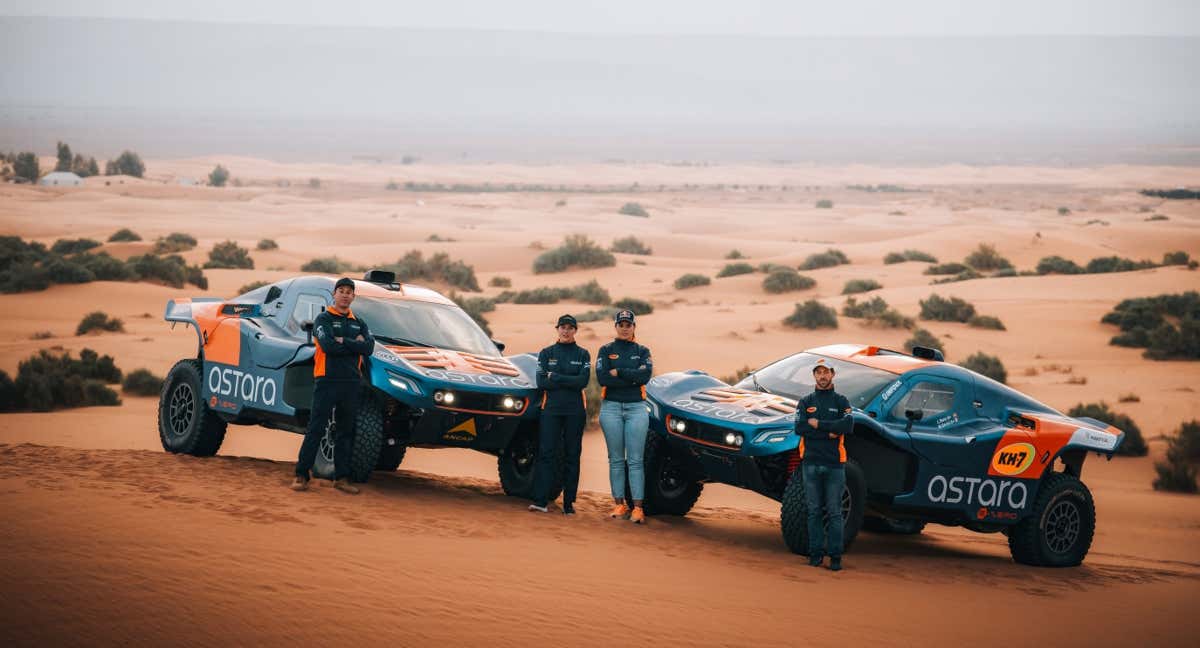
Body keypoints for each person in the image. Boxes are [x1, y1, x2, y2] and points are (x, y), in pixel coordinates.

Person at [292, 277, 375, 494]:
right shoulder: (323, 319)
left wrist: (344, 341)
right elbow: (328, 346)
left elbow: (369, 348)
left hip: (351, 382)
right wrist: (354, 344)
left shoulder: (360, 322)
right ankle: (301, 475)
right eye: (342, 291)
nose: (345, 295)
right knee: (316, 428)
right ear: (334, 294)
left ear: (353, 296)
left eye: (349, 292)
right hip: (326, 380)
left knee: (346, 431)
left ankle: (342, 478)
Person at [529, 314, 591, 515]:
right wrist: (567, 380)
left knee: (573, 456)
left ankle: (568, 504)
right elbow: (541, 382)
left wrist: (555, 376)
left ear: (575, 330)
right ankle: (540, 501)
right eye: (562, 327)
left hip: (575, 411)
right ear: (557, 329)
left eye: (570, 327)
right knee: (546, 453)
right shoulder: (546, 353)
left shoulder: (583, 354)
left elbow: (582, 382)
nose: (566, 331)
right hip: (551, 411)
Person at [596, 309, 653, 524]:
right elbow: (603, 379)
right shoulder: (606, 350)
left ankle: (638, 508)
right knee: (616, 459)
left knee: (636, 460)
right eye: (621, 324)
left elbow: (645, 375)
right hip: (611, 408)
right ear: (616, 326)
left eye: (629, 324)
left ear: (634, 327)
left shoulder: (642, 350)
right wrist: (631, 377)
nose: (625, 328)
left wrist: (618, 372)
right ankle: (619, 504)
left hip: (637, 408)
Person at [795, 359, 853, 571]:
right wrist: (829, 432)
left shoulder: (841, 401)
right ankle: (815, 555)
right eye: (818, 372)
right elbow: (800, 428)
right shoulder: (805, 401)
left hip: (835, 465)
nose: (822, 376)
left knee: (835, 512)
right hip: (810, 463)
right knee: (814, 512)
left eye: (826, 372)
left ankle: (835, 558)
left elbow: (847, 424)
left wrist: (819, 424)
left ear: (832, 374)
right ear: (814, 376)